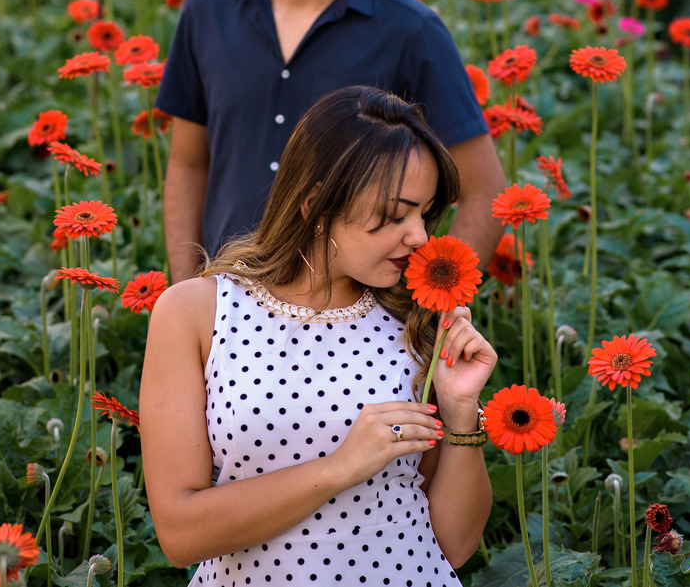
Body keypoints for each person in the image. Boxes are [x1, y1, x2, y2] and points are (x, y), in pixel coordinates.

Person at [140, 86, 497, 586]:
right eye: (395, 215)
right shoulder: (196, 312)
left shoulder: (417, 323)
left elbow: (455, 546)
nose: (419, 235)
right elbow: (179, 535)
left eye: (425, 212)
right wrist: (339, 468)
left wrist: (461, 413)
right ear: (315, 205)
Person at [156, 0, 505, 283]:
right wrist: (185, 295)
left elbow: (485, 189)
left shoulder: (410, 29)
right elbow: (188, 163)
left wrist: (432, 308)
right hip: (226, 308)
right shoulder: (206, 10)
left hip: (357, 327)